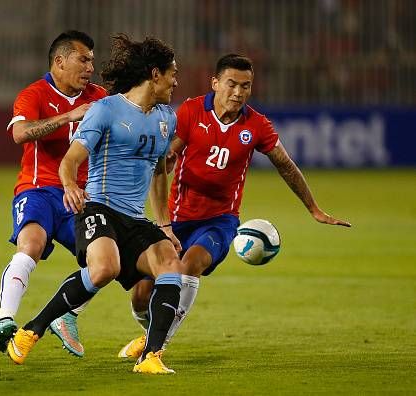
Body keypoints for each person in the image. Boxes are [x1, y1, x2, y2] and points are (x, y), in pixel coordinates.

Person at [117, 53, 352, 360]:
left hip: (219, 221)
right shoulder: (191, 111)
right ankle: (152, 329)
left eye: (246, 86)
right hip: (176, 219)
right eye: (232, 84)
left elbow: (286, 165)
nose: (239, 92)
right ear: (215, 83)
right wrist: (167, 161)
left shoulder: (256, 125)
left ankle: (155, 347)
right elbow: (166, 157)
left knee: (190, 264)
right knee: (140, 295)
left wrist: (314, 209)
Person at [6, 34, 184, 374]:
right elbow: (71, 159)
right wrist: (70, 185)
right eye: (172, 73)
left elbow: (160, 173)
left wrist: (164, 225)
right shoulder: (106, 109)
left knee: (170, 265)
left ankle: (151, 357)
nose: (176, 81)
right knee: (105, 269)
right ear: (155, 74)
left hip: (135, 218)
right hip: (98, 208)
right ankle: (33, 329)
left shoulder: (166, 118)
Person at [0, 30, 107, 358]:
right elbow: (20, 133)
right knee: (32, 245)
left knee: (106, 260)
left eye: (92, 62)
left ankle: (68, 316)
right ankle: (4, 320)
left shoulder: (100, 97)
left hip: (80, 197)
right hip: (38, 189)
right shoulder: (35, 93)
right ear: (59, 61)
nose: (89, 68)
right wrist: (69, 116)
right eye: (83, 59)